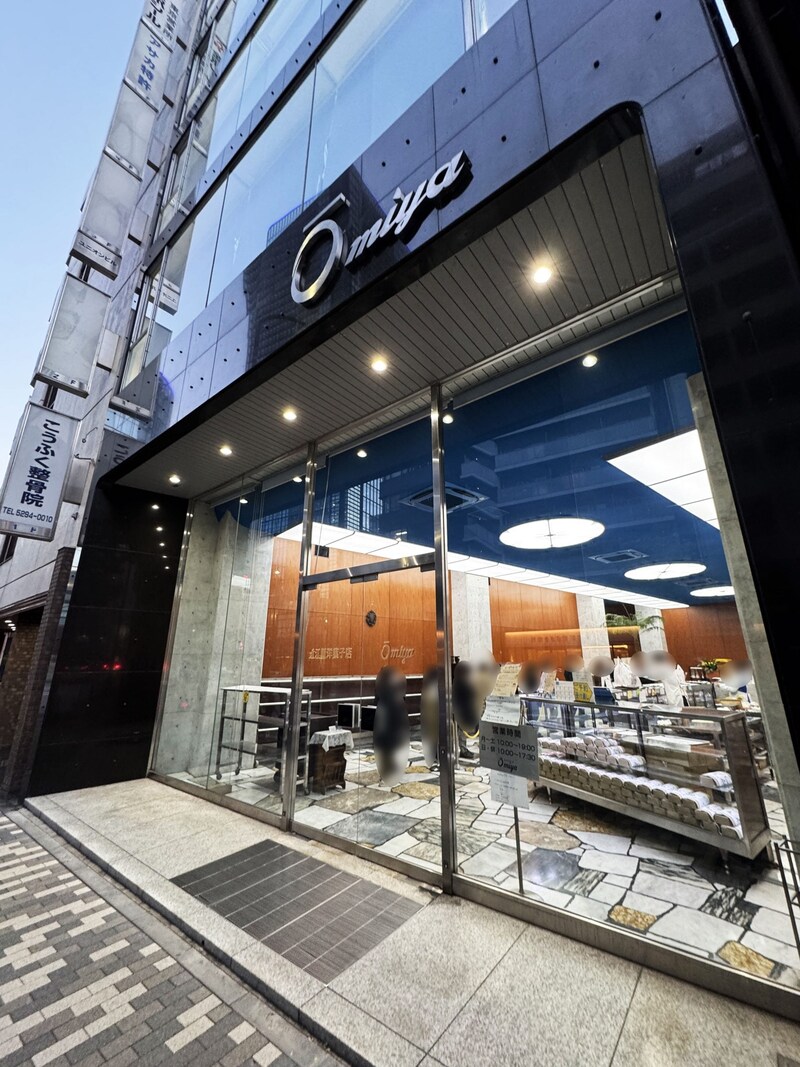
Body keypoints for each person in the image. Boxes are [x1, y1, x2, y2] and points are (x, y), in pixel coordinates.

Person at [373, 666, 409, 783]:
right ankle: (387, 769)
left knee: (388, 747)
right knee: (387, 747)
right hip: (387, 721)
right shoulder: (388, 687)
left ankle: (388, 768)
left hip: (387, 722)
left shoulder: (383, 686)